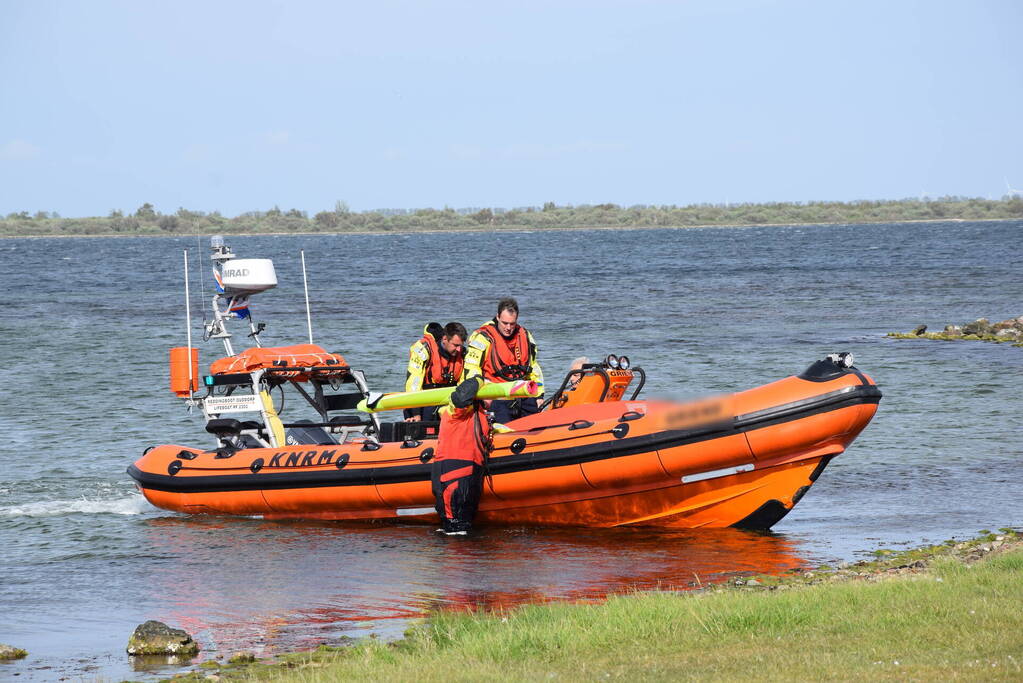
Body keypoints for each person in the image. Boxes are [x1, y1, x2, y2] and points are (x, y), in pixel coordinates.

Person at [463, 298, 544, 425]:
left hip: (523, 394)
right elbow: (471, 369)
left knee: (536, 428)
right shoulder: (483, 338)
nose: (508, 328)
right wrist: (480, 395)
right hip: (497, 396)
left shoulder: (525, 335)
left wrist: (539, 395)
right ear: (497, 317)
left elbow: (534, 367)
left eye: (512, 324)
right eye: (505, 323)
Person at [432, 376, 491, 535]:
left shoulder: (480, 414)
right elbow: (461, 397)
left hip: (472, 471)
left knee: (465, 523)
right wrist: (480, 379)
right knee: (454, 526)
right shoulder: (456, 410)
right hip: (454, 469)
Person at [404, 321, 468, 425]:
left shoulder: (463, 354)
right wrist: (416, 414)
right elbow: (413, 385)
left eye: (461, 345)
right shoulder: (424, 350)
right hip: (424, 401)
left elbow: (466, 383)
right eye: (455, 345)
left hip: (449, 400)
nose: (459, 349)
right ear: (445, 339)